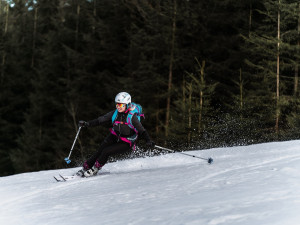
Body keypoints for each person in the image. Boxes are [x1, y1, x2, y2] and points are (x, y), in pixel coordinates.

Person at [76, 92, 155, 177]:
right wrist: (87, 124)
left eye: (121, 105)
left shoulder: (132, 117)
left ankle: (95, 169)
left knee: (106, 151)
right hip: (114, 135)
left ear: (127, 105)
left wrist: (148, 140)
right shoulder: (115, 113)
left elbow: (142, 131)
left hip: (126, 142)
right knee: (100, 150)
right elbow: (100, 120)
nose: (118, 107)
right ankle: (86, 167)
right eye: (117, 105)